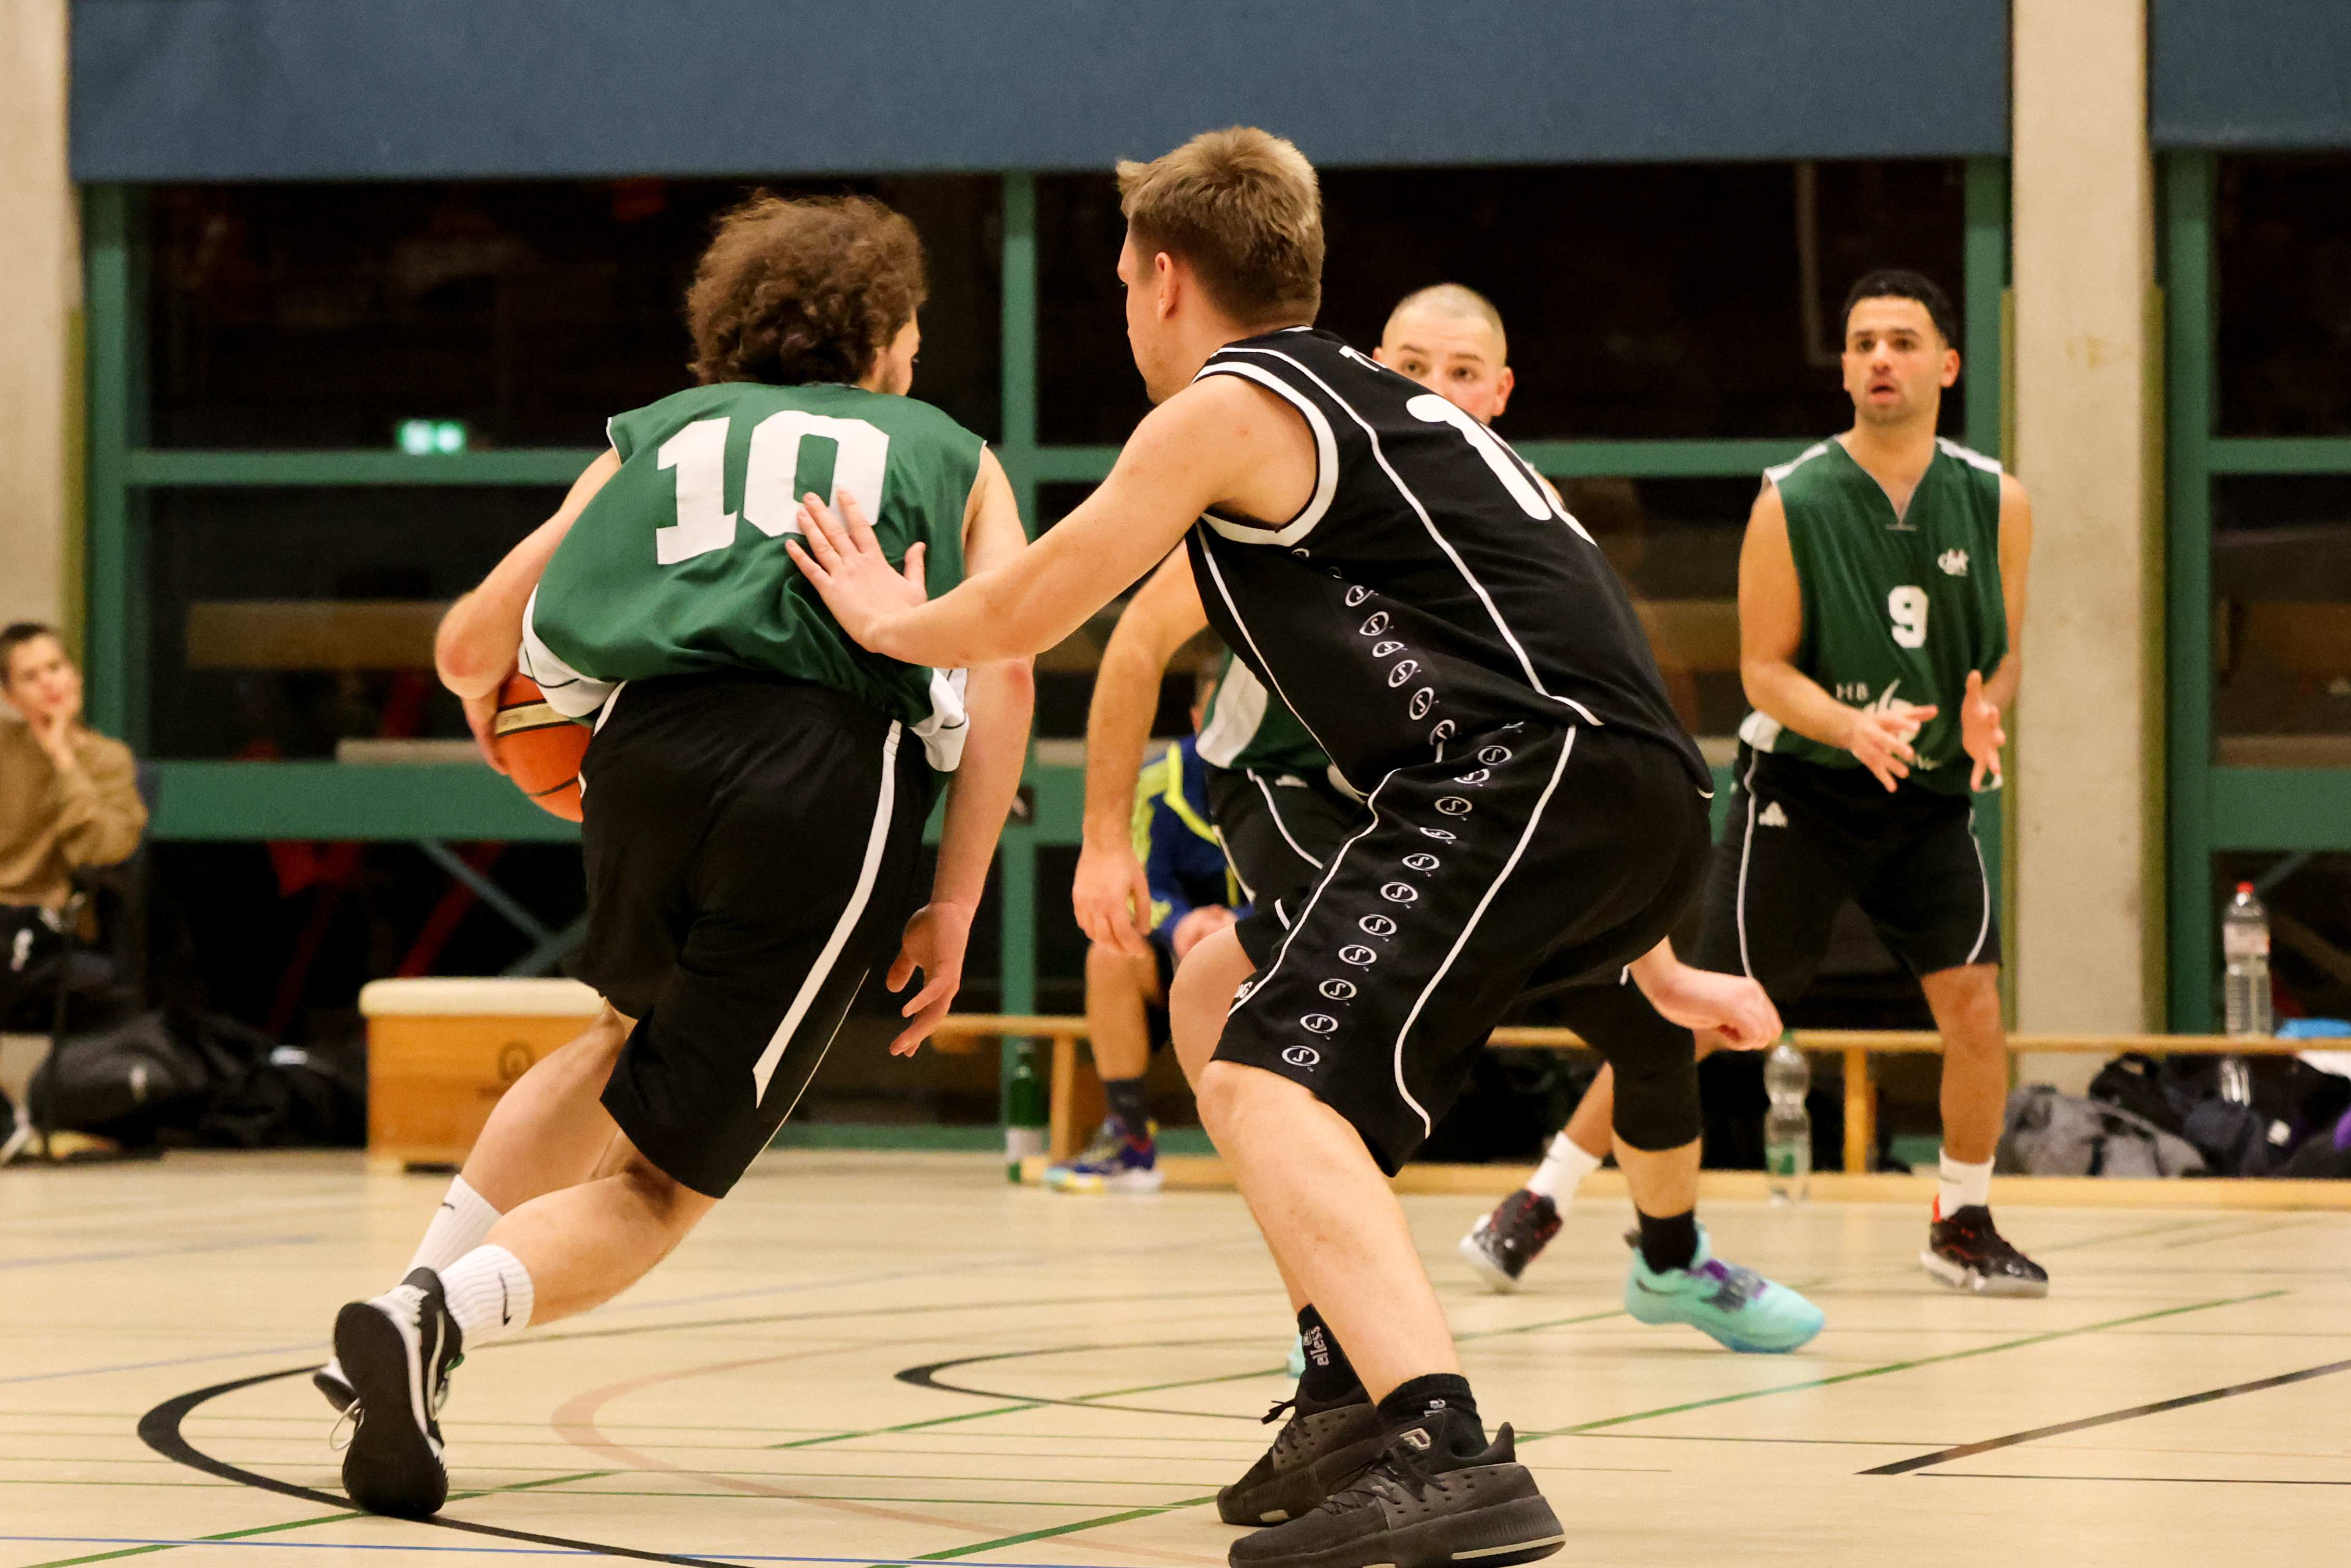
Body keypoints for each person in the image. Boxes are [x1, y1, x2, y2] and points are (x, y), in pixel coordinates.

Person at [787, 128, 1792, 1568]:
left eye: (1122, 283)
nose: (1125, 308)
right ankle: (1344, 1386)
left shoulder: (1235, 401)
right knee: (1215, 989)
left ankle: (1442, 1443)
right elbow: (1571, 652)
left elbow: (1037, 604)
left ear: (1163, 276)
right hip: (1594, 789)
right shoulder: (1376, 411)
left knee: (1269, 1076)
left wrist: (891, 618)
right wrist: (1648, 947)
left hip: (1518, 780)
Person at [321, 194, 1035, 1520]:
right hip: (823, 773)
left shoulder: (653, 435)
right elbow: (1008, 670)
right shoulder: (953, 452)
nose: (919, 351)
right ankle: (432, 1317)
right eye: (915, 327)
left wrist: (520, 742)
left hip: (640, 761)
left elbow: (470, 650)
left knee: (617, 1038)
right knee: (659, 1187)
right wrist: (953, 896)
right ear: (881, 333)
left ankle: (400, 1296)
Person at [1077, 288, 1824, 1342]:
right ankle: (1334, 1328)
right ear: (1371, 369)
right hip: (1291, 789)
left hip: (1455, 809)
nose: (1435, 386)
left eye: (1461, 371)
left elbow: (1573, 765)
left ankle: (1668, 1263)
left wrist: (1655, 964)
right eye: (1412, 366)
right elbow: (1133, 643)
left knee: (1653, 1031)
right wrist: (1103, 838)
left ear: (1500, 392)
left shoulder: (1510, 519)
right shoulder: (1297, 479)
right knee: (1325, 1026)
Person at [1467, 269, 2043, 1298]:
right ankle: (1542, 1195)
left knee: (1973, 1009)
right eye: (1861, 342)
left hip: (1924, 799)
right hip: (1803, 794)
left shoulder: (1996, 500)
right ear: (1844, 370)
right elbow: (1763, 671)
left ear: (1947, 365)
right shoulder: (1793, 496)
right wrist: (1850, 725)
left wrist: (1983, 709)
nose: (1879, 358)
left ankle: (1959, 1219)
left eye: (1902, 341)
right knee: (1698, 1017)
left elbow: (1997, 657)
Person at [1045, 676, 1239, 1193]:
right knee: (1109, 955)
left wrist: (1240, 925)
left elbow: (1315, 884)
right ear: (1195, 718)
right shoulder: (1157, 782)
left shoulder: (1300, 782)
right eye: (1217, 712)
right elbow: (1138, 887)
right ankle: (1129, 1139)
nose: (1228, 725)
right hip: (1180, 959)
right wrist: (1183, 925)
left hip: (1273, 954)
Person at [0, 624, 147, 1020]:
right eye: (30, 677)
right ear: (10, 697)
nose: (49, 683)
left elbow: (105, 850)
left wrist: (63, 758)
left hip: (48, 930)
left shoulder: (109, 760)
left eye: (56, 667)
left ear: (76, 676)